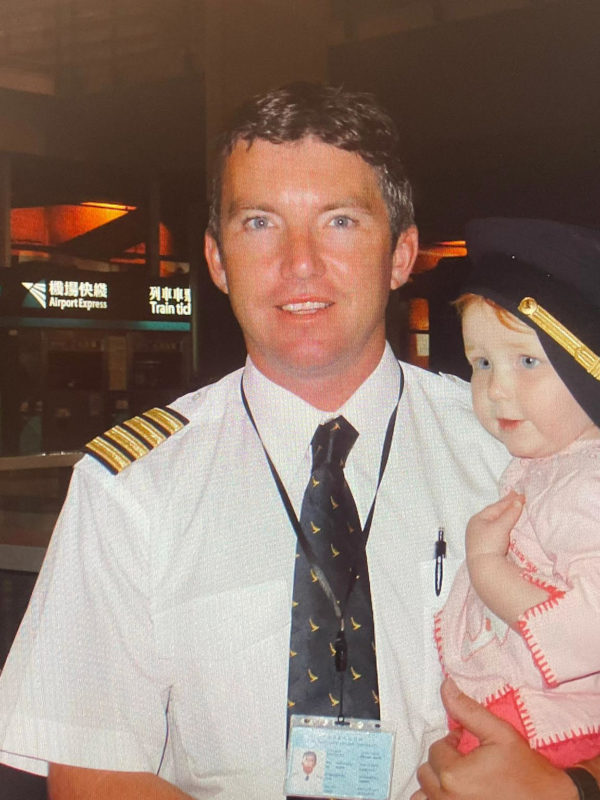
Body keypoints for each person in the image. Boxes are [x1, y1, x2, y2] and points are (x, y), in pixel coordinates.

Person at [0, 84, 592, 800]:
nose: (300, 262)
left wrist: (573, 787)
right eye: (260, 223)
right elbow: (92, 773)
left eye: (339, 221)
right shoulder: (131, 488)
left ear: (401, 254)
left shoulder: (523, 455)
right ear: (217, 259)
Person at [414, 218, 600, 800]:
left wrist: (489, 570)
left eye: (527, 361)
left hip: (547, 730)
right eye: (482, 363)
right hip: (515, 716)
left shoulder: (588, 485)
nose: (495, 389)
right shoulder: (546, 465)